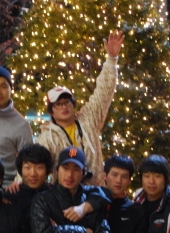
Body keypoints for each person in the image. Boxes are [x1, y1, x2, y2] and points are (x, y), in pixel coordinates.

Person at [37, 31, 124, 185]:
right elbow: (35, 165)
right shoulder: (46, 138)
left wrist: (111, 59)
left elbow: (103, 92)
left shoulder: (89, 119)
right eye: (58, 104)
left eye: (67, 102)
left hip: (95, 192)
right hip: (65, 194)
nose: (64, 107)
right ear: (51, 111)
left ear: (73, 104)